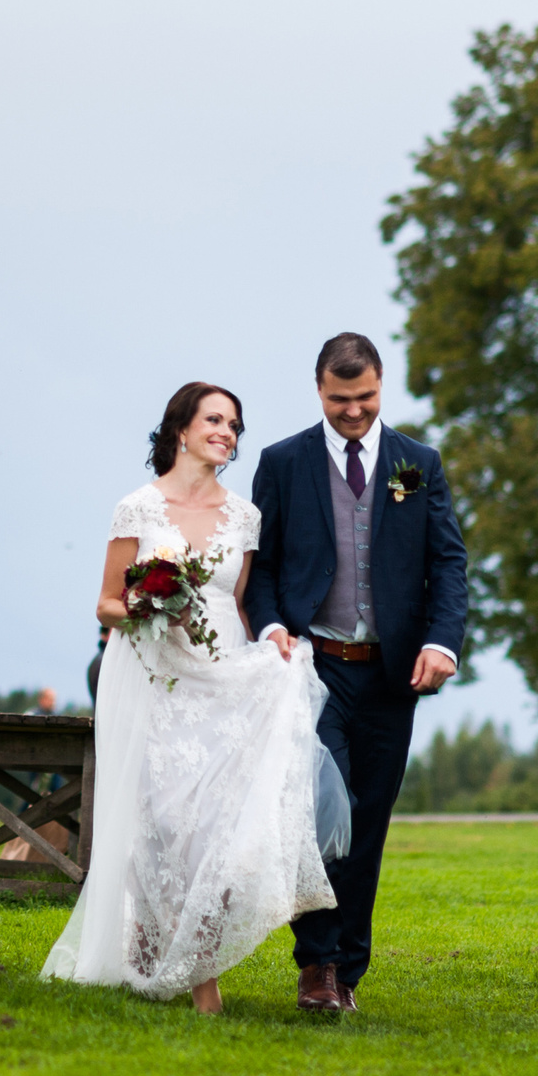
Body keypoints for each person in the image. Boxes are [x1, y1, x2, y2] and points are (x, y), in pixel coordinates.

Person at [43, 382, 336, 1013]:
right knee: (160, 818)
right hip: (151, 672)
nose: (226, 432)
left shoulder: (245, 517)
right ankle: (193, 979)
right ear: (181, 428)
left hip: (220, 674)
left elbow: (241, 604)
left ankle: (171, 953)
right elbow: (106, 603)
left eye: (234, 425)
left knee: (211, 828)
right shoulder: (137, 509)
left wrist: (274, 646)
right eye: (214, 419)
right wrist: (151, 606)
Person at [242, 333, 468, 1014]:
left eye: (365, 397)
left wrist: (442, 643)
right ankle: (316, 964)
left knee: (367, 824)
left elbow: (447, 562)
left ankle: (348, 971)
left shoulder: (415, 463)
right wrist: (275, 627)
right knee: (319, 815)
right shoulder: (282, 462)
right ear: (319, 390)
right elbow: (265, 567)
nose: (353, 411)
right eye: (341, 400)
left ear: (381, 385)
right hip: (314, 671)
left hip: (393, 675)